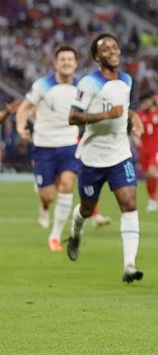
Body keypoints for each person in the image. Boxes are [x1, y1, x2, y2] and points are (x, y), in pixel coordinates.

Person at [66, 33, 145, 283]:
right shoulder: (89, 83)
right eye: (106, 48)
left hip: (120, 155)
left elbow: (124, 108)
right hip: (92, 158)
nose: (112, 51)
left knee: (129, 204)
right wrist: (105, 115)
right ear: (96, 57)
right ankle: (75, 231)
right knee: (87, 209)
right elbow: (73, 117)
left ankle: (129, 265)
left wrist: (134, 117)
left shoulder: (126, 79)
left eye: (115, 46)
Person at [15, 46, 111, 251]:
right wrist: (20, 127)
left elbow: (93, 110)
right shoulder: (42, 85)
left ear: (76, 64)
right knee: (48, 195)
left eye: (70, 59)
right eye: (63, 59)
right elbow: (24, 108)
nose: (66, 62)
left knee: (67, 185)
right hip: (44, 145)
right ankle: (44, 204)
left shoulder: (82, 87)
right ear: (55, 63)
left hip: (69, 143)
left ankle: (55, 236)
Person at [135, 94, 158, 213]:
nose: (143, 105)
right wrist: (136, 140)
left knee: (151, 172)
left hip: (156, 148)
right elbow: (134, 132)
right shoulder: (139, 115)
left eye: (145, 102)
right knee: (148, 176)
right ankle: (151, 200)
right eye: (142, 103)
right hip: (143, 149)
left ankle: (153, 201)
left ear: (151, 101)